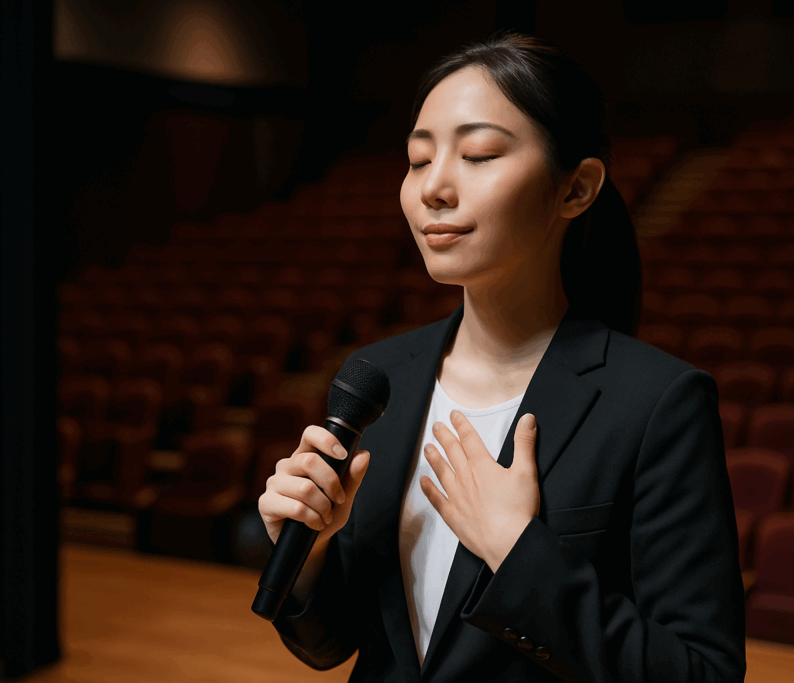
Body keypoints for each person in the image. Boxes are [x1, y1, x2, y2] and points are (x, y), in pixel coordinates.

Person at [257, 30, 746, 683]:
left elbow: (702, 672)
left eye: (480, 154)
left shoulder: (658, 403)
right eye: (417, 159)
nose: (434, 187)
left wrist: (519, 553)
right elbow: (337, 644)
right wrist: (311, 553)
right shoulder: (382, 378)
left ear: (576, 189)